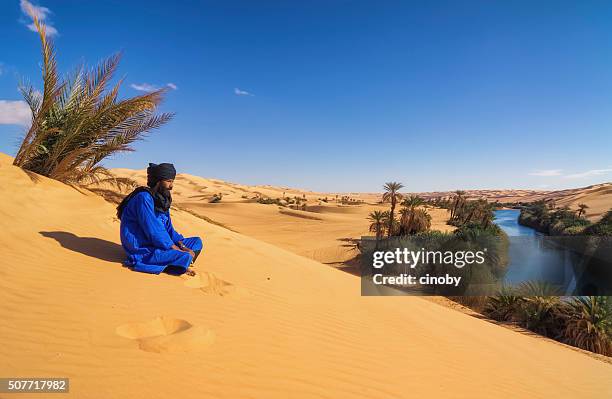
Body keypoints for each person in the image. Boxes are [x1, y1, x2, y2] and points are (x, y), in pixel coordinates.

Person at [116, 162, 202, 275]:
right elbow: (153, 231)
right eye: (168, 181)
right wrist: (175, 248)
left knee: (196, 242)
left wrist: (182, 245)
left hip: (160, 243)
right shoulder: (144, 198)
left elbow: (169, 228)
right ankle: (175, 264)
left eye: (172, 181)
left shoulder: (161, 199)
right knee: (184, 255)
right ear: (158, 181)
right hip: (142, 248)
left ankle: (178, 261)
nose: (171, 186)